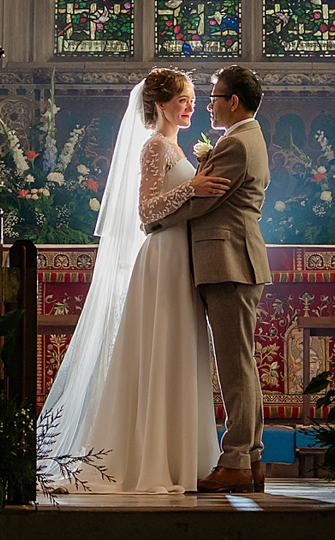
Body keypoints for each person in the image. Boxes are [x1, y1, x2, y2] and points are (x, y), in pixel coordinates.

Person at [36, 69, 232, 494]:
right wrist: (192, 187)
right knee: (160, 350)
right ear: (160, 104)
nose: (191, 106)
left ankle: (184, 459)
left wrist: (195, 183)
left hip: (184, 257)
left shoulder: (178, 148)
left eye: (193, 99)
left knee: (181, 351)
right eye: (183, 99)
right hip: (162, 257)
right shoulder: (153, 147)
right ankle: (150, 461)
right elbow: (145, 211)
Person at [148, 64, 271, 494]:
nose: (209, 106)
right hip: (230, 259)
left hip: (229, 259)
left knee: (236, 366)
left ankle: (236, 459)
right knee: (241, 363)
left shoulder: (237, 142)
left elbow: (204, 201)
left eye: (215, 98)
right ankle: (250, 457)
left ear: (233, 101)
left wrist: (156, 221)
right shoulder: (242, 138)